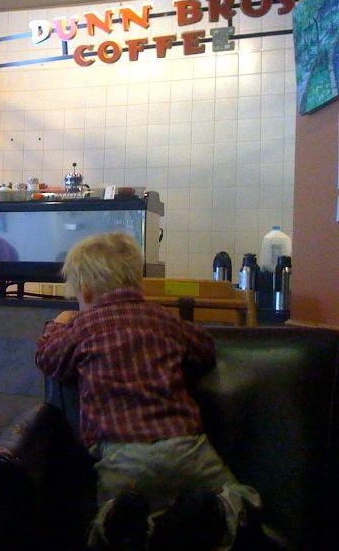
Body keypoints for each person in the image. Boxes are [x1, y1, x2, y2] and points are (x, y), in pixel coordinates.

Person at [35, 232, 260, 551]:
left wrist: (58, 324)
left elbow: (48, 358)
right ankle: (211, 514)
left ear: (84, 290)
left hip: (121, 457)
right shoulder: (164, 319)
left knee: (105, 523)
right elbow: (205, 349)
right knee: (240, 500)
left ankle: (122, 523)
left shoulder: (84, 326)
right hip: (186, 447)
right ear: (137, 282)